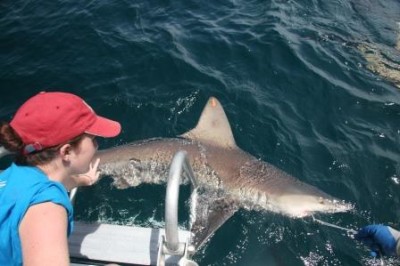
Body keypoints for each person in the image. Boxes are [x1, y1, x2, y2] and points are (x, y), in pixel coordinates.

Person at [0, 91, 121, 265]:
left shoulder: (10, 175)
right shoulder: (46, 208)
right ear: (67, 151)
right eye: (93, 139)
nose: (97, 145)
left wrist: (82, 180)